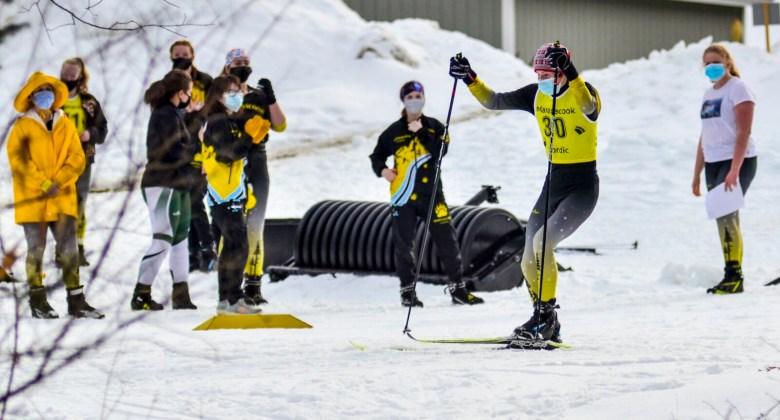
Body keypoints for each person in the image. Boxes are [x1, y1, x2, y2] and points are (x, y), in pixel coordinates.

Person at [450, 42, 601, 342]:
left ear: (562, 72)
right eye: (538, 74)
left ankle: (546, 319)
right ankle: (542, 319)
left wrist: (572, 73)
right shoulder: (535, 94)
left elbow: (589, 108)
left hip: (582, 187)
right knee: (528, 257)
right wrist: (469, 78)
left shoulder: (583, 91)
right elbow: (494, 101)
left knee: (544, 244)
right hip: (553, 183)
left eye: (547, 74)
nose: (541, 80)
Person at [369, 80, 485, 308]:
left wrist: (421, 132)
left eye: (418, 96)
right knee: (404, 246)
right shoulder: (393, 131)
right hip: (402, 196)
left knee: (447, 241)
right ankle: (407, 292)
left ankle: (458, 289)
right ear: (403, 101)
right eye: (409, 97)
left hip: (432, 195)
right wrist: (383, 171)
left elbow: (439, 152)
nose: (414, 101)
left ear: (424, 99)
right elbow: (376, 155)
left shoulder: (435, 127)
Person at [7, 71, 104, 318]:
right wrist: (44, 184)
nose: (45, 95)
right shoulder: (22, 127)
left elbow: (77, 156)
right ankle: (38, 301)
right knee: (36, 249)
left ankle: (76, 301)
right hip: (33, 200)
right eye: (39, 91)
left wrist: (59, 182)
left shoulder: (65, 123)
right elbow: (19, 162)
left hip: (61, 197)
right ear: (30, 96)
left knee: (69, 249)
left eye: (48, 90)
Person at [221, 48, 287, 305]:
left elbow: (280, 125)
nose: (243, 66)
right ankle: (229, 285)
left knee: (256, 223)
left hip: (257, 159)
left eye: (246, 62)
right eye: (237, 62)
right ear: (228, 66)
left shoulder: (257, 95)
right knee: (233, 225)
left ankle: (254, 284)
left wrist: (271, 98)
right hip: (233, 159)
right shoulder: (222, 92)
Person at [131, 69, 199, 310]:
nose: (190, 97)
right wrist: (195, 148)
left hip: (177, 183)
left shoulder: (174, 115)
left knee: (180, 240)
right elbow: (174, 150)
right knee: (163, 238)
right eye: (189, 93)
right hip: (161, 183)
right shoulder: (164, 115)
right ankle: (141, 293)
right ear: (180, 93)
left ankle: (181, 294)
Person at [692, 44, 757, 295]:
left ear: (727, 63)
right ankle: (731, 273)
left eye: (716, 62)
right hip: (714, 161)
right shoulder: (708, 94)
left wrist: (735, 169)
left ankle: (735, 275)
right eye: (707, 63)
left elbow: (744, 132)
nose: (712, 67)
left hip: (738, 160)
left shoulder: (739, 89)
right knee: (722, 216)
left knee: (728, 214)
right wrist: (697, 173)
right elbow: (705, 135)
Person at [200, 75, 269, 314]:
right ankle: (234, 298)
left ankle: (225, 299)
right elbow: (228, 155)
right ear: (218, 97)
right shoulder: (218, 121)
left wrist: (250, 134)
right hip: (224, 195)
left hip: (228, 193)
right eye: (231, 92)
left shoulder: (228, 120)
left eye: (239, 91)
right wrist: (248, 137)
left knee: (231, 246)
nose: (238, 96)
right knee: (238, 245)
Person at [169, 40, 217, 273]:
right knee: (185, 203)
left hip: (201, 145)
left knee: (195, 200)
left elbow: (216, 109)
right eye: (177, 54)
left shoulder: (205, 81)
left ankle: (207, 249)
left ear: (193, 55)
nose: (181, 57)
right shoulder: (169, 82)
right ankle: (193, 251)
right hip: (180, 147)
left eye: (185, 54)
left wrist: (200, 111)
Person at [59, 57, 109, 267]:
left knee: (79, 202)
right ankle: (62, 248)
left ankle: (78, 247)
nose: (68, 78)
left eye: (72, 75)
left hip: (83, 159)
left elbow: (103, 129)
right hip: (58, 159)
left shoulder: (89, 102)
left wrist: (90, 134)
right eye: (65, 74)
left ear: (80, 77)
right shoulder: (53, 99)